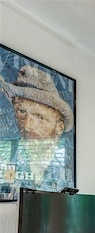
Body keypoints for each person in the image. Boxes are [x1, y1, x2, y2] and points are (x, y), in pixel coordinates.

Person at [0, 65, 74, 195]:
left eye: (40, 117)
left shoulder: (65, 167)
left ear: (59, 128)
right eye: (21, 111)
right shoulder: (8, 158)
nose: (27, 126)